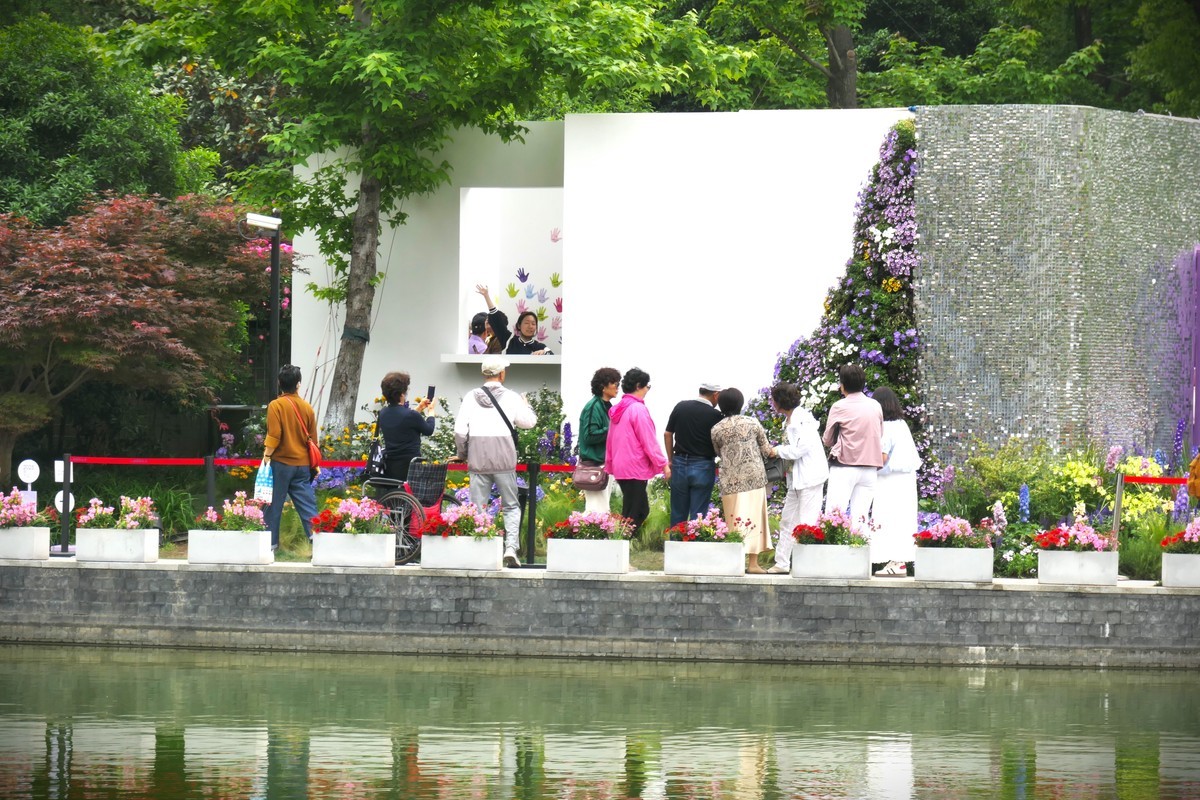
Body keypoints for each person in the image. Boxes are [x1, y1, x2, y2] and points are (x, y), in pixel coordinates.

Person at [453, 355, 537, 567]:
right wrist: (527, 406)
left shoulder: (471, 397)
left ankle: (482, 549)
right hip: (504, 460)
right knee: (510, 505)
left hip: (478, 460)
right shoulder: (511, 397)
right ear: (502, 374)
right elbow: (528, 423)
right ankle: (510, 548)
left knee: (477, 506)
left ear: (484, 374)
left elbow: (460, 430)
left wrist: (463, 454)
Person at [709, 388, 776, 574]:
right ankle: (753, 564)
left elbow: (717, 451)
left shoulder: (716, 429)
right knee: (754, 519)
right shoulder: (752, 423)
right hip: (754, 477)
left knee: (734, 520)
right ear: (740, 403)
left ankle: (734, 562)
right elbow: (766, 449)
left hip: (730, 479)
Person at [767, 382, 830, 574]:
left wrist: (777, 450)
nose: (771, 402)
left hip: (810, 477)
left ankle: (808, 566)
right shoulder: (793, 419)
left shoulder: (802, 419)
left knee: (807, 521)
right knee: (788, 520)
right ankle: (782, 563)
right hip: (797, 479)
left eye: (773, 399)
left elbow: (802, 449)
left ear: (780, 401)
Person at [605, 367, 670, 535]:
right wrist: (663, 464)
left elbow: (610, 440)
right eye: (647, 386)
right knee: (638, 511)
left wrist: (611, 463)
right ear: (639, 385)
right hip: (635, 467)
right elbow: (648, 440)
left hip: (621, 466)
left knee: (630, 510)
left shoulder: (618, 409)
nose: (648, 389)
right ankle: (622, 543)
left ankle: (622, 544)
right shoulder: (637, 409)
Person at [262, 364, 320, 549]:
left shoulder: (275, 405)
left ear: (279, 383)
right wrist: (315, 465)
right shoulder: (307, 408)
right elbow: (314, 440)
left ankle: (270, 545)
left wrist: (266, 457)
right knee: (307, 505)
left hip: (280, 464)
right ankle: (317, 540)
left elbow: (274, 435)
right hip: (302, 466)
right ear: (298, 384)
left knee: (273, 506)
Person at [822, 364, 884, 527]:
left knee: (834, 517)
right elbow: (880, 434)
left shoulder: (839, 406)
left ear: (842, 385)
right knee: (861, 519)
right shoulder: (875, 405)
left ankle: (834, 552)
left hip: (845, 466)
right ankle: (861, 551)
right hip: (870, 467)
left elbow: (827, 440)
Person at [870, 386, 922, 576]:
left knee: (886, 518)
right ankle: (899, 560)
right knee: (903, 519)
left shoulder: (886, 428)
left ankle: (896, 562)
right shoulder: (902, 425)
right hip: (906, 480)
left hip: (889, 481)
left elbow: (881, 458)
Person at [663, 383, 723, 527]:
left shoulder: (681, 407)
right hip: (703, 464)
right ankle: (695, 547)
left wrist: (671, 459)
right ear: (715, 395)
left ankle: (676, 547)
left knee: (678, 513)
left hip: (680, 462)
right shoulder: (716, 415)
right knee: (698, 515)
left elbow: (667, 434)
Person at [578, 367, 621, 514]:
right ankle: (591, 535)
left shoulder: (607, 407)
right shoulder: (593, 407)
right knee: (596, 511)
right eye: (614, 383)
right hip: (594, 464)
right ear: (603, 386)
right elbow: (589, 435)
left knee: (602, 509)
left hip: (603, 464)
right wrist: (612, 428)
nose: (617, 386)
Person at [378, 371, 435, 481]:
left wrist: (419, 407)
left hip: (390, 467)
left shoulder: (383, 413)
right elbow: (429, 430)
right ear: (402, 394)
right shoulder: (410, 415)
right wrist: (431, 412)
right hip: (411, 467)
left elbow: (403, 420)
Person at [474, 284, 511, 354]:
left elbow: (494, 313)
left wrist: (486, 296)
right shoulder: (490, 340)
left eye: (491, 319)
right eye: (487, 318)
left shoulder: (501, 338)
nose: (487, 320)